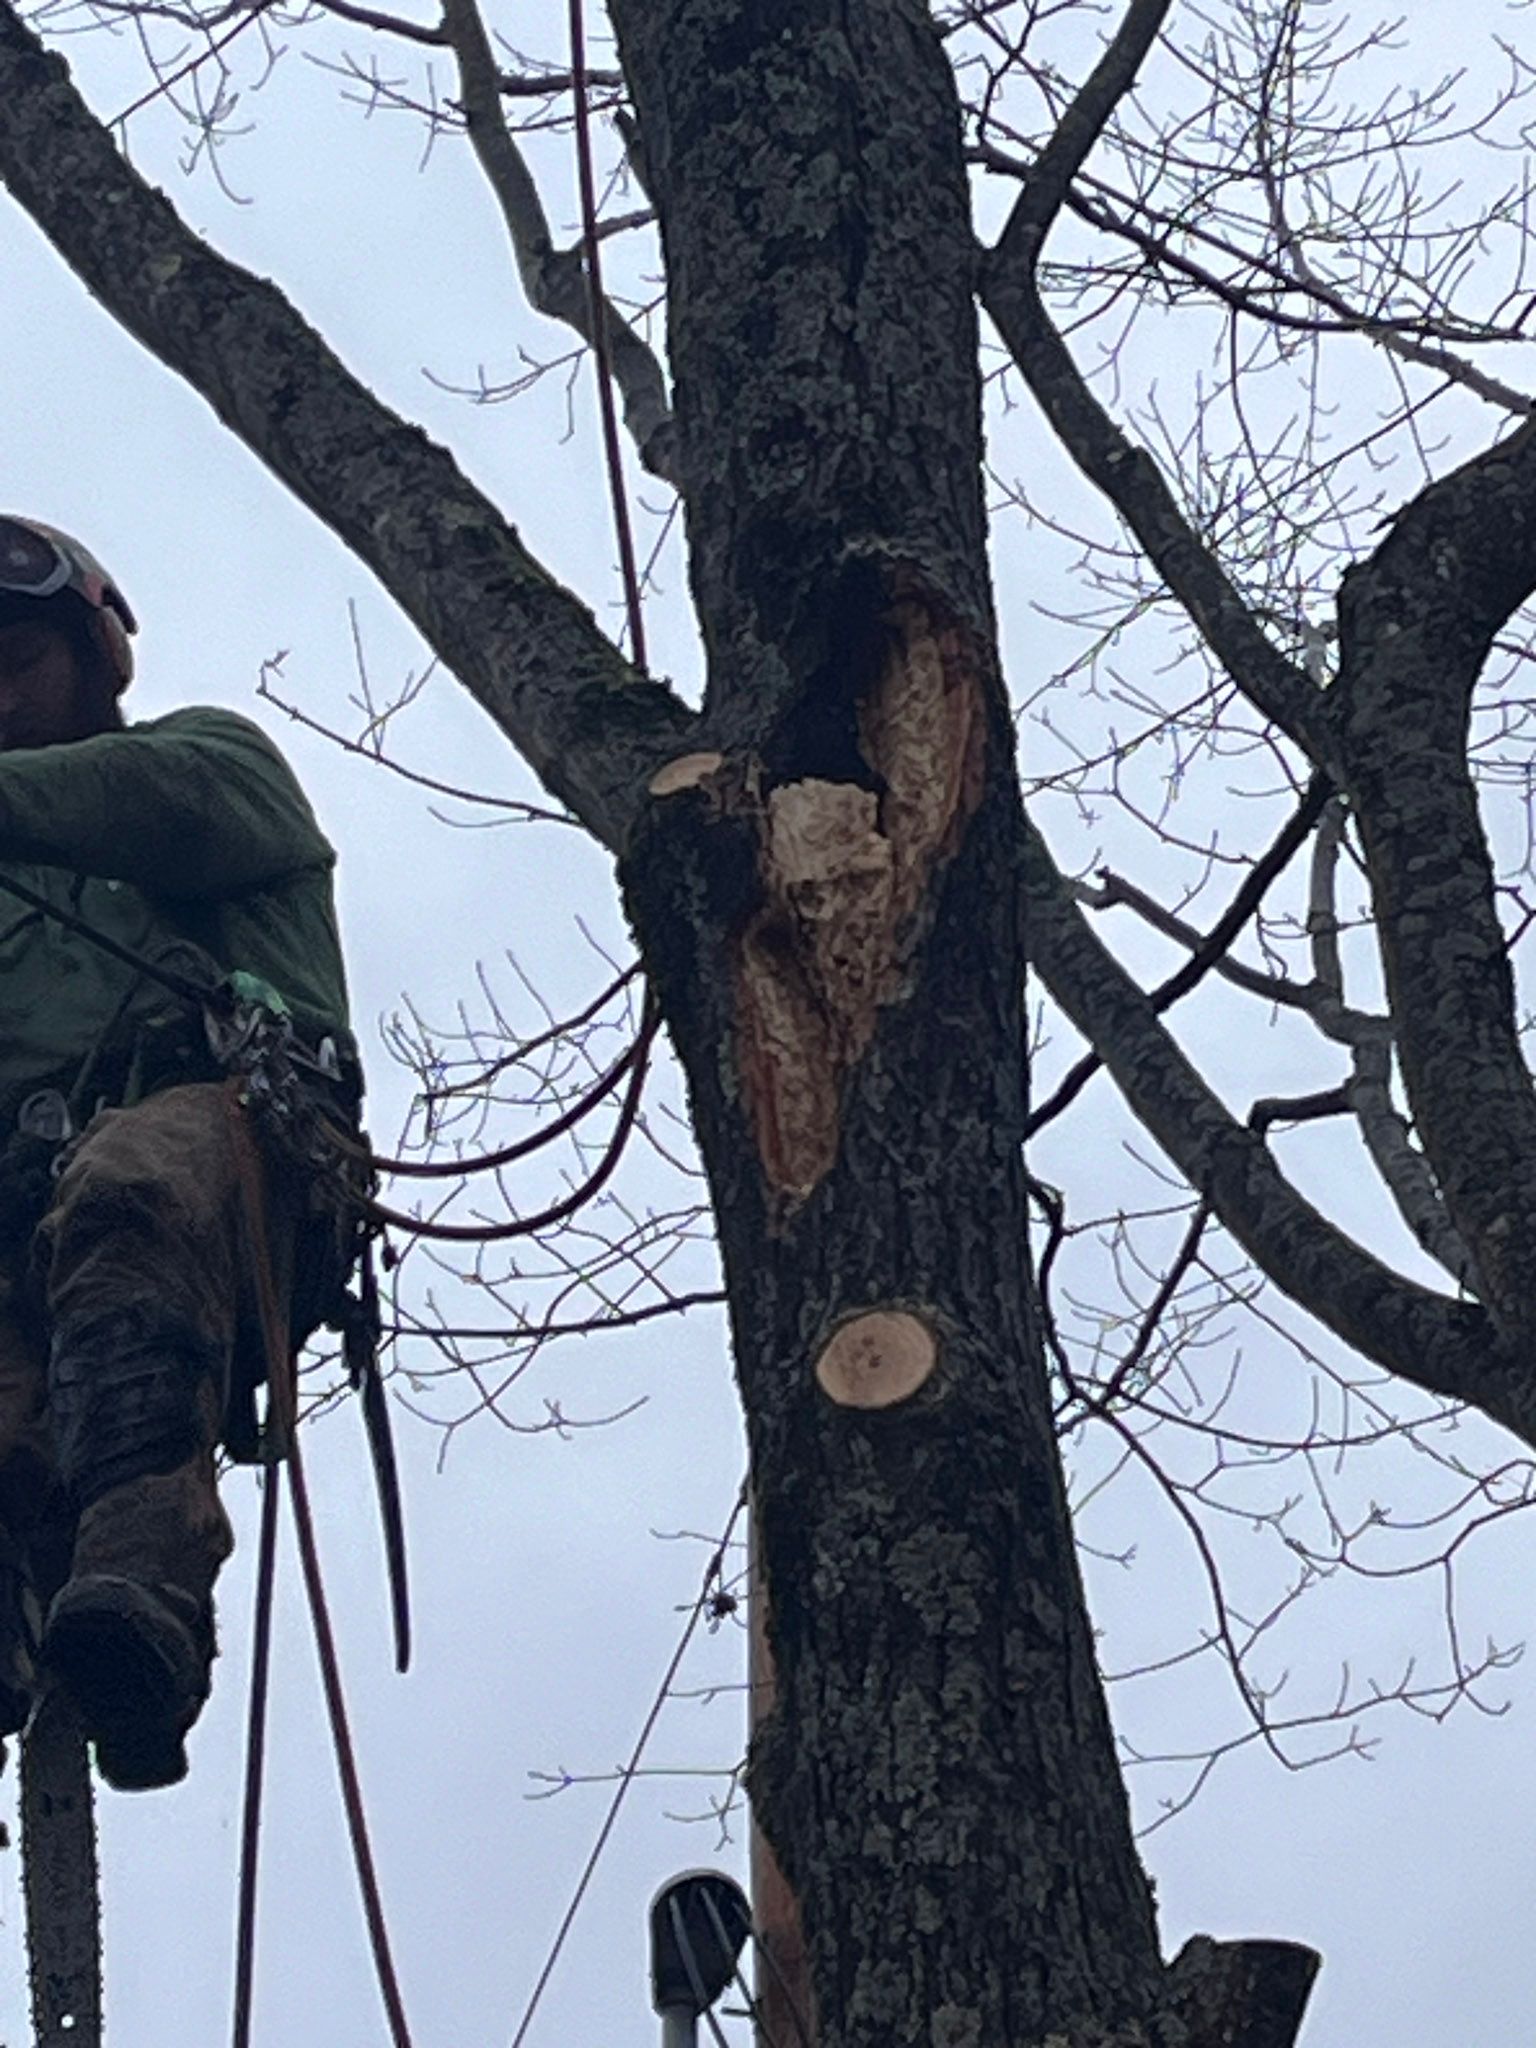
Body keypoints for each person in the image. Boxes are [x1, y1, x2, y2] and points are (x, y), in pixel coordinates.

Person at [0, 515, 353, 1791]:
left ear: (94, 663)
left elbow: (160, 807)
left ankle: (145, 1581)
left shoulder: (207, 764)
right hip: (23, 1243)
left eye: (11, 664)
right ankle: (85, 1655)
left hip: (228, 1156)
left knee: (131, 1179)